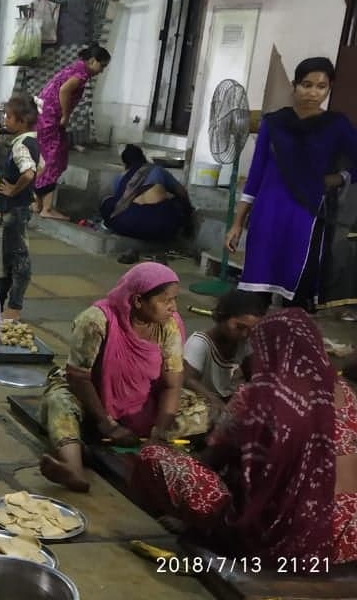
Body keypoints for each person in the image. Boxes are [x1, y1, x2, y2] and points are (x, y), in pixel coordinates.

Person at [133, 309, 357, 563]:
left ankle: (200, 528)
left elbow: (213, 459)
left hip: (283, 538)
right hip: (346, 533)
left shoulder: (254, 397)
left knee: (154, 456)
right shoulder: (345, 394)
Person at [38, 263, 206, 493]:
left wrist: (158, 433)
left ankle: (102, 441)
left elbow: (172, 383)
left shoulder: (170, 325)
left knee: (200, 410)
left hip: (143, 400)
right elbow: (78, 377)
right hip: (94, 398)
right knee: (60, 402)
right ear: (138, 301)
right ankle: (73, 468)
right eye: (166, 300)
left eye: (174, 300)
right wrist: (106, 423)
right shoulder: (97, 320)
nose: (173, 307)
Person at [226, 57, 357, 311]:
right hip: (268, 214)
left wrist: (339, 178)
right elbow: (255, 176)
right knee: (255, 293)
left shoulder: (336, 125)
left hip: (306, 217)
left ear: (329, 89)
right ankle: (255, 345)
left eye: (321, 86)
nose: (313, 92)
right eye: (306, 84)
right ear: (295, 85)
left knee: (296, 294)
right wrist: (237, 223)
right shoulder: (274, 123)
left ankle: (287, 346)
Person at [33, 45, 111, 221]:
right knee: (54, 160)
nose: (102, 71)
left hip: (45, 117)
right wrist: (66, 115)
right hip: (50, 119)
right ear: (92, 61)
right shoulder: (81, 74)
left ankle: (38, 203)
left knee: (50, 158)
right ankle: (46, 208)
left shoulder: (77, 68)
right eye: (102, 66)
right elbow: (64, 90)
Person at [0, 95, 41, 321]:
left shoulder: (22, 145)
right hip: (18, 207)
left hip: (17, 208)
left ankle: (14, 306)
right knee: (10, 255)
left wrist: (14, 190)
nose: (6, 120)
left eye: (9, 117)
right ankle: (1, 299)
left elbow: (30, 172)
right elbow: (41, 167)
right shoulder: (32, 141)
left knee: (18, 257)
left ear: (22, 121)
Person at [182, 290, 266, 414]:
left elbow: (252, 375)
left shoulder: (244, 343)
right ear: (221, 317)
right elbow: (187, 379)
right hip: (199, 403)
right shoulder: (199, 343)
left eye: (251, 329)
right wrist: (213, 400)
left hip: (225, 399)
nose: (245, 334)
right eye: (239, 327)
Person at [101, 145, 194, 243]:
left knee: (107, 202)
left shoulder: (119, 178)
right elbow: (182, 193)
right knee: (177, 202)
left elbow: (119, 204)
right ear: (143, 157)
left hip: (126, 225)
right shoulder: (157, 170)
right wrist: (188, 219)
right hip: (163, 227)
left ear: (125, 163)